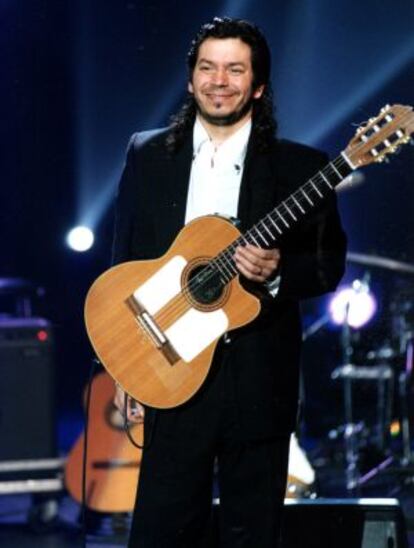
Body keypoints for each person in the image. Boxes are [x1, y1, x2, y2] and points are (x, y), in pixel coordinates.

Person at [112, 16, 347, 547]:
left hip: (259, 380)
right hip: (169, 371)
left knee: (252, 536)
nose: (219, 81)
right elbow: (122, 258)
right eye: (208, 68)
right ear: (192, 78)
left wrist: (280, 271)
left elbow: (329, 264)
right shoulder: (147, 155)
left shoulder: (303, 169)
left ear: (258, 85)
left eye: (235, 69)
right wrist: (123, 366)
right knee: (160, 534)